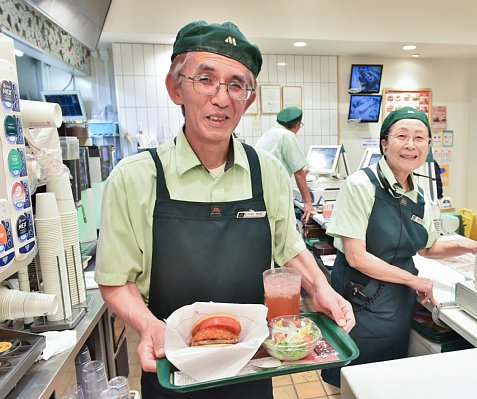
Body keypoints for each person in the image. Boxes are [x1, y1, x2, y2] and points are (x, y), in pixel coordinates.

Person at [94, 20, 355, 399]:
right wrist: (147, 324)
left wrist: (322, 287)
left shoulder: (267, 170)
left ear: (248, 99)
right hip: (175, 368)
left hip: (252, 367)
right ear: (175, 87)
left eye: (236, 85)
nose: (222, 99)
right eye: (206, 79)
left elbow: (288, 246)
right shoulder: (136, 178)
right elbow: (115, 280)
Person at [320, 107, 477, 387]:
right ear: (385, 143)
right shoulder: (361, 185)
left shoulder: (418, 194)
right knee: (356, 382)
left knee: (388, 380)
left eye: (420, 138)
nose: (410, 145)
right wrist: (415, 280)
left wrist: (470, 245)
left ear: (428, 145)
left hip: (397, 303)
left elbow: (427, 247)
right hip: (360, 303)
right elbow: (357, 257)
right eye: (402, 136)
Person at [255, 107, 316, 224]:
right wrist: (308, 203)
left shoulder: (270, 133)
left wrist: (301, 171)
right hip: (273, 194)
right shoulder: (287, 135)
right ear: (297, 124)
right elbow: (299, 173)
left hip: (261, 193)